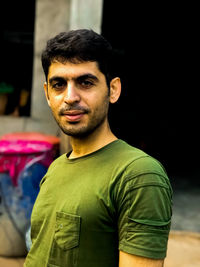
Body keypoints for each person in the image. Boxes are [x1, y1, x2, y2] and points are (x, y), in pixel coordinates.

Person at [24, 29, 172, 267]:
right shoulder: (55, 169)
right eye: (59, 84)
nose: (70, 97)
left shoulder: (138, 175)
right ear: (48, 94)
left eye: (85, 82)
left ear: (113, 90)